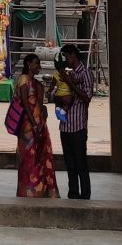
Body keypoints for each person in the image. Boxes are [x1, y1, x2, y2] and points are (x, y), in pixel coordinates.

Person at [52, 43, 94, 201]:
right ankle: (73, 193)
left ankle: (85, 195)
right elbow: (56, 98)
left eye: (66, 57)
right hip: (65, 126)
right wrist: (58, 95)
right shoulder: (66, 73)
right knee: (70, 164)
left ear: (72, 55)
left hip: (78, 126)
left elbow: (87, 97)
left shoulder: (85, 73)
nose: (64, 60)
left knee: (81, 164)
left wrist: (70, 83)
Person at [14, 53, 59, 197]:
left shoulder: (36, 83)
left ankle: (40, 189)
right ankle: (28, 190)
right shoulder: (23, 80)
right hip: (28, 125)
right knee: (28, 157)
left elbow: (39, 104)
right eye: (36, 63)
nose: (39, 66)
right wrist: (34, 124)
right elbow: (26, 104)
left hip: (39, 123)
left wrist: (42, 114)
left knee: (40, 156)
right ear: (29, 64)